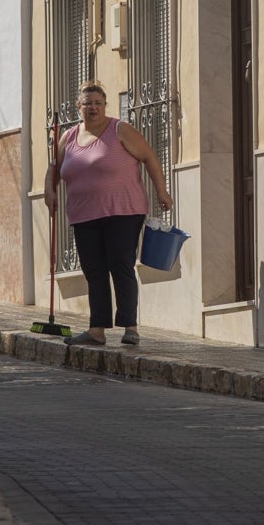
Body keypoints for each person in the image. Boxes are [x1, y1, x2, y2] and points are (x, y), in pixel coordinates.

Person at [43, 80, 173, 346]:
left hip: (123, 210)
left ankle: (130, 327)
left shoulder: (120, 130)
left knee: (120, 264)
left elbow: (149, 157)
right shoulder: (68, 137)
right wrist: (50, 191)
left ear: (105, 106)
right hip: (83, 214)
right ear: (79, 107)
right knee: (93, 270)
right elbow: (54, 169)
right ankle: (97, 329)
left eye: (98, 103)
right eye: (87, 103)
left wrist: (162, 192)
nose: (93, 108)